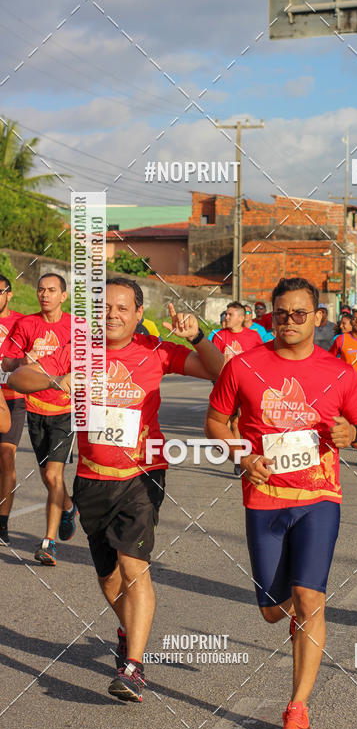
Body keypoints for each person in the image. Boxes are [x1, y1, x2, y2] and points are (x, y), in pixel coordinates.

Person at [8, 277, 224, 702]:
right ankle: (128, 629)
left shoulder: (156, 350)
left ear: (139, 314)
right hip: (91, 478)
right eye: (104, 307)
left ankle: (133, 668)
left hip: (143, 475)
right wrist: (57, 381)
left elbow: (221, 372)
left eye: (122, 308)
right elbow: (20, 378)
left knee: (133, 567)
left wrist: (198, 335)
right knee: (108, 580)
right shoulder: (80, 351)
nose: (112, 314)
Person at [205, 277, 357, 729]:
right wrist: (242, 456)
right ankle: (288, 617)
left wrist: (355, 437)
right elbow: (216, 421)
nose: (290, 322)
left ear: (318, 318)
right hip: (264, 499)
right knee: (272, 611)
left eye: (300, 314)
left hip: (319, 498)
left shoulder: (339, 372)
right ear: (272, 316)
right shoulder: (243, 367)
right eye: (282, 313)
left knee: (309, 599)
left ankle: (297, 706)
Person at [1, 273, 75, 564]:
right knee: (47, 477)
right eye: (41, 289)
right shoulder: (25, 324)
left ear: (63, 296)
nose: (45, 294)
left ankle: (48, 542)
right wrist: (24, 361)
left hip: (65, 410)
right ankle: (68, 507)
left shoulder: (76, 327)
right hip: (34, 408)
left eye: (52, 290)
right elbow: (6, 362)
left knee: (55, 475)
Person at [0, 273, 25, 545]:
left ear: (9, 294)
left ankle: (2, 523)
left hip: (13, 396)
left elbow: (31, 356)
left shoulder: (21, 322)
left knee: (6, 457)